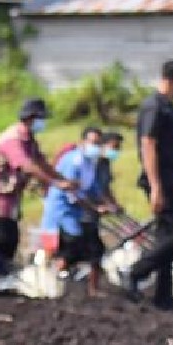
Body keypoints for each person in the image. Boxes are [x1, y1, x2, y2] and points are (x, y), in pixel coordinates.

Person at [0, 97, 76, 289]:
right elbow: (27, 166)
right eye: (40, 118)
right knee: (0, 238)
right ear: (30, 118)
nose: (42, 123)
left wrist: (63, 180)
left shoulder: (29, 140)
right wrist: (54, 183)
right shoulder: (12, 139)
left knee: (11, 238)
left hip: (9, 195)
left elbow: (41, 162)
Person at [120, 60, 173, 311]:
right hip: (161, 180)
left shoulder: (168, 108)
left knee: (165, 237)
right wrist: (156, 186)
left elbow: (170, 149)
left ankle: (164, 296)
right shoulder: (154, 107)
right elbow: (148, 144)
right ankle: (135, 273)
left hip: (171, 178)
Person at [41, 126, 121, 295]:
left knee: (94, 248)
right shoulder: (73, 160)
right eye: (93, 142)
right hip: (63, 209)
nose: (96, 146)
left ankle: (91, 288)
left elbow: (94, 188)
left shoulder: (91, 162)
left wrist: (109, 205)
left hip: (80, 210)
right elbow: (71, 192)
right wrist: (95, 207)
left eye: (98, 143)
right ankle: (52, 278)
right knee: (73, 243)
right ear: (83, 142)